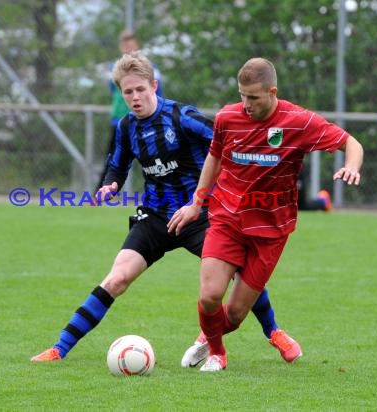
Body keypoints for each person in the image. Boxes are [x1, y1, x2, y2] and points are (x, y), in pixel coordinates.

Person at [31, 52, 301, 365]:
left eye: (140, 90)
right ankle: (59, 348)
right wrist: (111, 185)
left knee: (240, 273)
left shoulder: (182, 117)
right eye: (127, 92)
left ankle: (274, 332)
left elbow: (226, 142)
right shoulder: (126, 127)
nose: (134, 98)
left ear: (154, 86)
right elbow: (117, 165)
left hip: (199, 214)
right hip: (156, 216)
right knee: (116, 279)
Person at [168, 57, 363, 372]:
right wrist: (196, 202)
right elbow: (214, 157)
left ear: (273, 91)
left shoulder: (298, 121)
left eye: (254, 98)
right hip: (227, 218)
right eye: (242, 95)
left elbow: (351, 143)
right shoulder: (227, 118)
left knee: (233, 315)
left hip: (271, 231)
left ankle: (207, 337)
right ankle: (218, 353)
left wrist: (351, 166)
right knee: (209, 296)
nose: (245, 104)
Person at [93, 30, 163, 195]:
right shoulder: (114, 70)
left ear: (137, 45)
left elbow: (158, 94)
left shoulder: (151, 69)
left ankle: (159, 194)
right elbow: (114, 92)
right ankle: (100, 193)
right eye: (125, 44)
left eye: (131, 44)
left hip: (147, 121)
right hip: (119, 120)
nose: (128, 47)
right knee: (113, 159)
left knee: (154, 159)